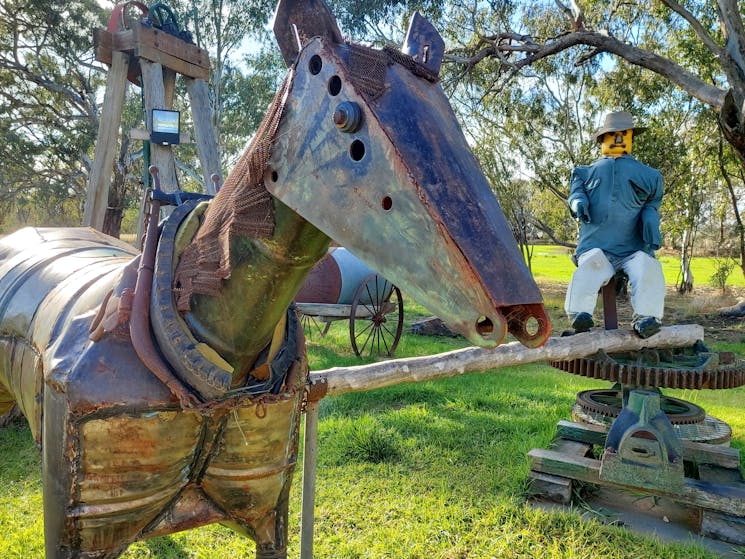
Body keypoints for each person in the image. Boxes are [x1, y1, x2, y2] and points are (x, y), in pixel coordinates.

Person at [565, 110, 665, 338]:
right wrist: (577, 202)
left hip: (634, 249)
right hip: (596, 248)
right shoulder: (583, 173)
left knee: (648, 268)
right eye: (612, 134)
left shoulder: (650, 176)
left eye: (623, 134)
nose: (618, 138)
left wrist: (651, 218)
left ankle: (647, 318)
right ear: (602, 139)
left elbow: (653, 202)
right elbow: (575, 194)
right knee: (589, 268)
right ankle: (579, 315)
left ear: (630, 137)